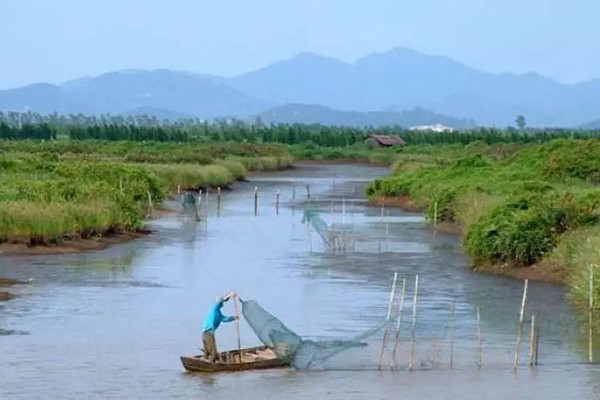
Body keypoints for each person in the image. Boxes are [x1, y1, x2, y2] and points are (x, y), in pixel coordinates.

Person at [202, 292, 239, 362]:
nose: (222, 303)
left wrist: (234, 318)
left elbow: (225, 319)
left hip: (208, 333)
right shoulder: (214, 309)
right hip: (207, 333)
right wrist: (230, 295)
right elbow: (220, 300)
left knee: (208, 351)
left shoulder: (218, 313)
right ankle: (211, 363)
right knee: (213, 351)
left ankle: (207, 360)